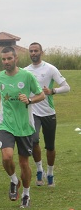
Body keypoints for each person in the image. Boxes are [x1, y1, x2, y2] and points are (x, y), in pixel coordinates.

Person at [0, 46, 45, 208]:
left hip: (24, 126)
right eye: (4, 59)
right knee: (6, 157)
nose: (6, 62)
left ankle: (26, 195)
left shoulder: (27, 76)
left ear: (16, 59)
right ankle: (14, 180)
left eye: (9, 59)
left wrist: (29, 100)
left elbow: (41, 94)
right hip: (5, 124)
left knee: (24, 163)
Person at [25, 42, 70, 187]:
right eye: (31, 51)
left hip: (48, 112)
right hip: (33, 112)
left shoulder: (50, 69)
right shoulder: (25, 71)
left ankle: (50, 172)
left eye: (36, 51)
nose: (33, 53)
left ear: (41, 52)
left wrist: (53, 91)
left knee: (50, 147)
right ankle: (39, 170)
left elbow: (66, 87)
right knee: (34, 141)